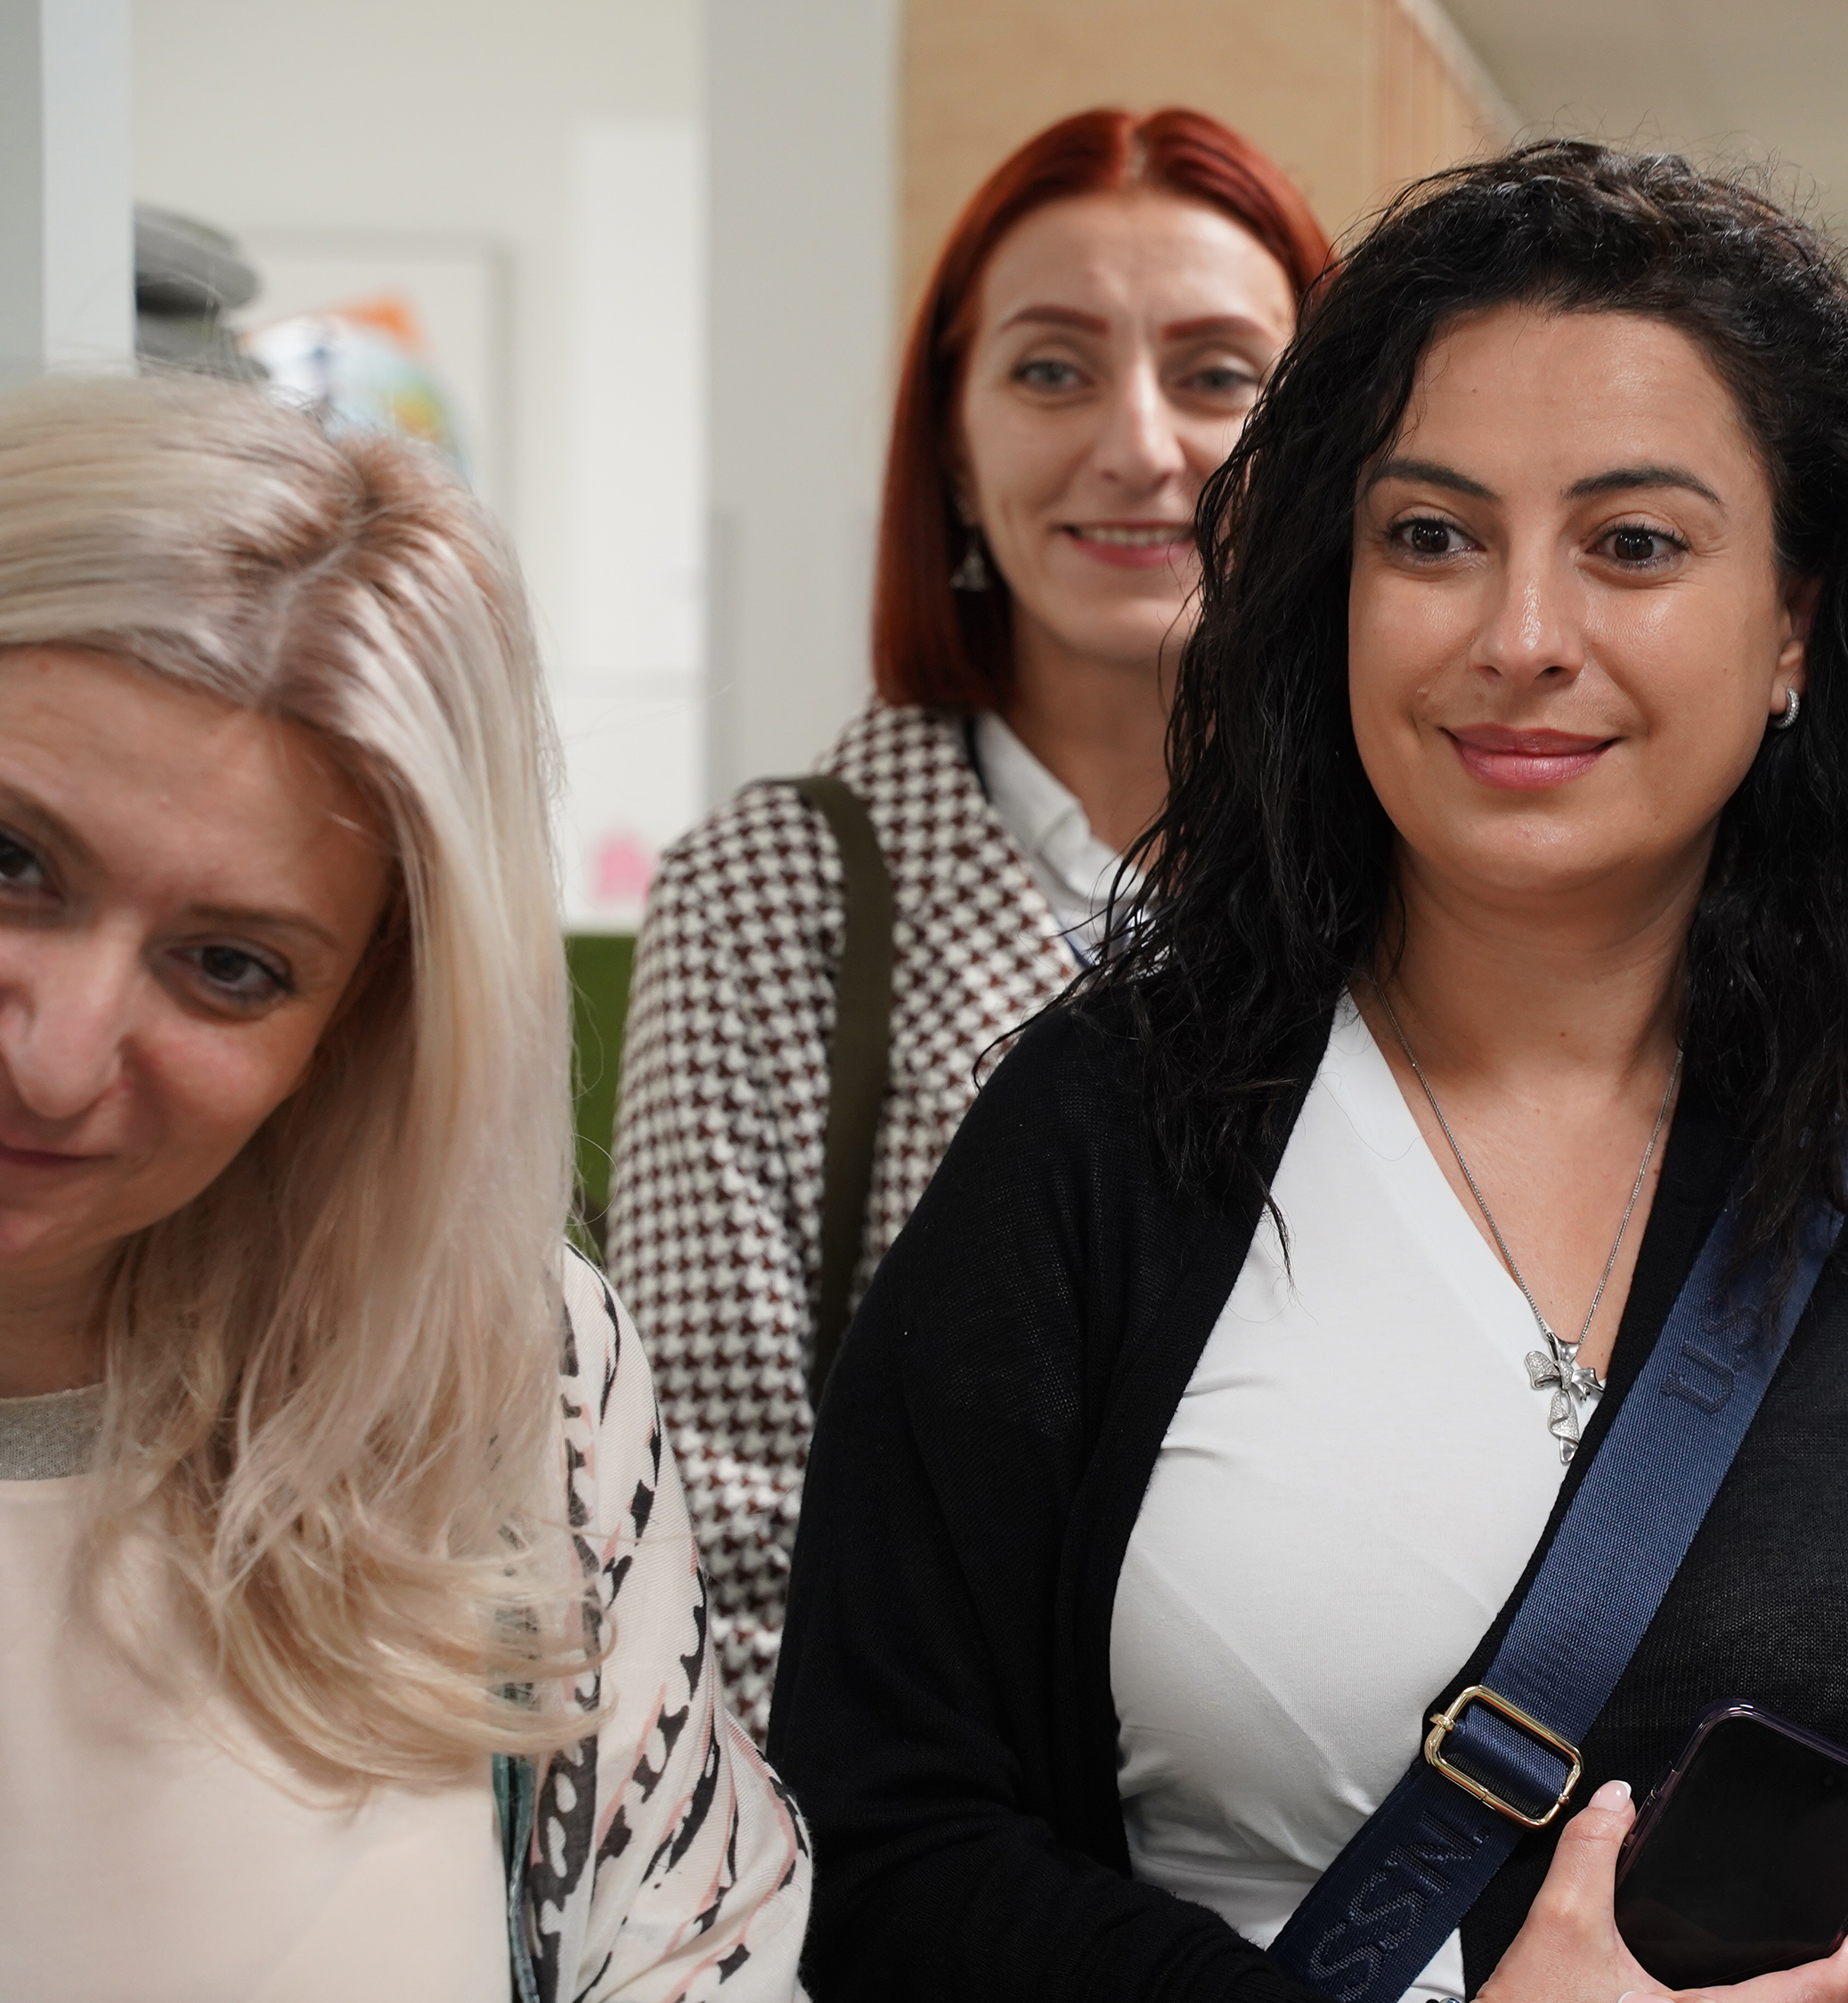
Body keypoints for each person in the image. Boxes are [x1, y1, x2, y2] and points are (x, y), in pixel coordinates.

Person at [766, 142, 1848, 2002]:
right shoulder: (1105, 1134)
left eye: (1633, 546)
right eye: (1430, 537)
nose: (1519, 639)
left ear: (1794, 631)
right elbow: (883, 1835)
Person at [0, 374, 806, 2001]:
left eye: (231, 967)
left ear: (352, 1031)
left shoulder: (501, 1372)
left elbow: (697, 1944)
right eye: (2, 857)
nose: (55, 1056)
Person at [606, 106, 1334, 1734]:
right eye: (1052, 369)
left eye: (1219, 374)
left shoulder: (1421, 883)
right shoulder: (774, 895)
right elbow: (707, 1527)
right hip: (897, 1825)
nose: (1138, 445)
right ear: (951, 443)